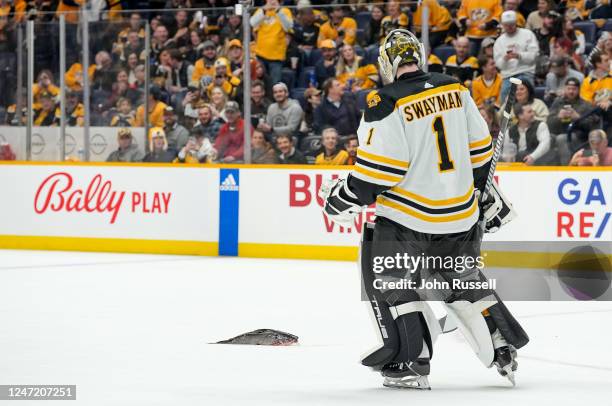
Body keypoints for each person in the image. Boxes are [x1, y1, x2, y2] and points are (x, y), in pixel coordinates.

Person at [319, 29, 527, 390]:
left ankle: (410, 360)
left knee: (390, 279)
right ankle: (500, 344)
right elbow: (480, 156)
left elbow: (375, 178)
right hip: (461, 216)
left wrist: (340, 197)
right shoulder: (455, 89)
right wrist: (479, 195)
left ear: (386, 64)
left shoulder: (383, 103)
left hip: (408, 219)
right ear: (419, 55)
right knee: (459, 278)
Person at [547, 78, 600, 164]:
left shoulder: (586, 105)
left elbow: (592, 126)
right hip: (557, 132)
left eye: (574, 89)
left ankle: (567, 168)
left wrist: (578, 118)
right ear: (565, 89)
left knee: (561, 139)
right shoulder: (557, 102)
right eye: (569, 89)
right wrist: (558, 117)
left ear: (579, 90)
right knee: (547, 138)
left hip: (579, 136)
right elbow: (548, 123)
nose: (571, 91)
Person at [493, 11, 539, 101]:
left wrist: (519, 56)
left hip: (526, 72)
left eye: (511, 24)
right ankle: (508, 114)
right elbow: (499, 65)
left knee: (526, 98)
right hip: (508, 75)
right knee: (505, 101)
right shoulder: (499, 41)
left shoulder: (527, 34)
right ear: (502, 25)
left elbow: (534, 56)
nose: (509, 27)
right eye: (506, 24)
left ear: (515, 23)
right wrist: (505, 59)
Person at [250, 0, 293, 85]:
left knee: (275, 84)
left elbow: (288, 27)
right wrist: (263, 11)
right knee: (259, 83)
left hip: (276, 57)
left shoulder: (285, 11)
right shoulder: (260, 11)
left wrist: (278, 11)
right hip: (260, 55)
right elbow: (252, 23)